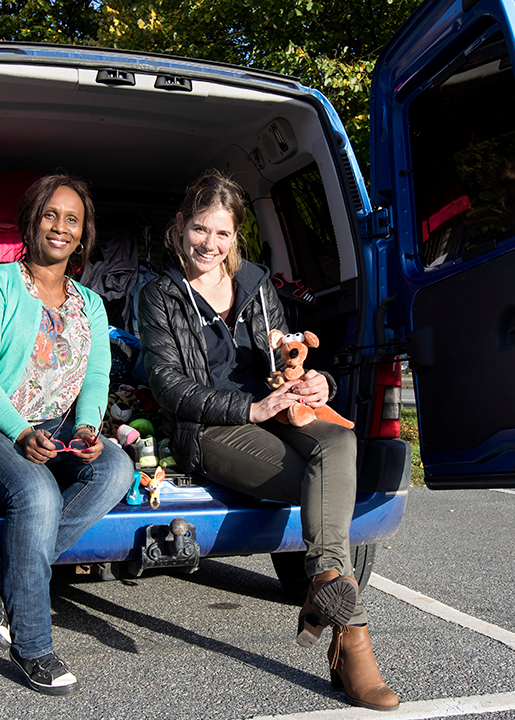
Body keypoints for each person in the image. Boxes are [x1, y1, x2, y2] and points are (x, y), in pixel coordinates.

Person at [136, 170, 399, 711]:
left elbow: (283, 355)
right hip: (210, 430)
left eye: (223, 234)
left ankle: (325, 581)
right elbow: (167, 387)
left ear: (237, 237)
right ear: (181, 226)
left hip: (280, 413)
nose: (210, 244)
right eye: (201, 230)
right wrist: (249, 407)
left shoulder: (256, 286)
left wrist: (307, 379)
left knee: (341, 445)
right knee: (324, 485)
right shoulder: (158, 295)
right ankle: (351, 641)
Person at [0, 173, 133, 696]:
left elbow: (95, 375)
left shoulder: (90, 302)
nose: (60, 227)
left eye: (72, 219)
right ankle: (33, 645)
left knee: (115, 468)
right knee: (37, 492)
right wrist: (21, 432)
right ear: (31, 220)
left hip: (51, 425)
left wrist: (89, 426)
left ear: (84, 233)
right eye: (51, 215)